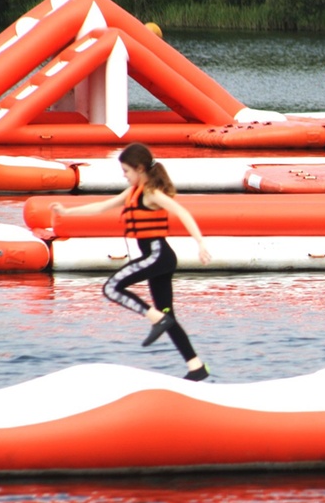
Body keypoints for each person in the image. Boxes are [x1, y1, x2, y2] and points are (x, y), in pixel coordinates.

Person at [50, 143, 212, 381]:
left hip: (158, 256)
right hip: (159, 259)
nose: (124, 176)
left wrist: (200, 243)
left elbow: (182, 212)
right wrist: (66, 212)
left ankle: (158, 319)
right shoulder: (132, 192)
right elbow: (101, 207)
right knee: (168, 315)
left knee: (111, 288)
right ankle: (196, 367)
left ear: (139, 169)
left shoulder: (151, 193)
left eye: (126, 171)